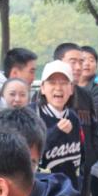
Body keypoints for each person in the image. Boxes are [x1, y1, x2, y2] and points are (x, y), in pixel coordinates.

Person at [55, 42, 97, 196]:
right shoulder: (46, 97)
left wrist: (90, 159)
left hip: (83, 170)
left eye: (81, 61)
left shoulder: (86, 96)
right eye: (73, 62)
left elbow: (93, 131)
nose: (79, 67)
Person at [35, 60, 83, 189]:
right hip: (42, 192)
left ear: (71, 89)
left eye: (63, 83)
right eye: (52, 83)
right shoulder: (33, 114)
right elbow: (29, 153)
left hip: (69, 192)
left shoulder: (73, 117)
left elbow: (81, 158)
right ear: (42, 88)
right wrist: (56, 131)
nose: (58, 88)